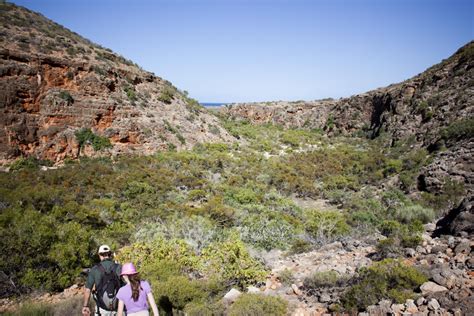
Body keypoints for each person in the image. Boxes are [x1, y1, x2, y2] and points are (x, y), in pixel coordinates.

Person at [82, 244, 122, 316]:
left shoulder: (95, 269)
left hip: (102, 309)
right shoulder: (119, 267)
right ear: (110, 254)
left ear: (99, 255)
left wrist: (85, 306)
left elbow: (88, 290)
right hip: (119, 308)